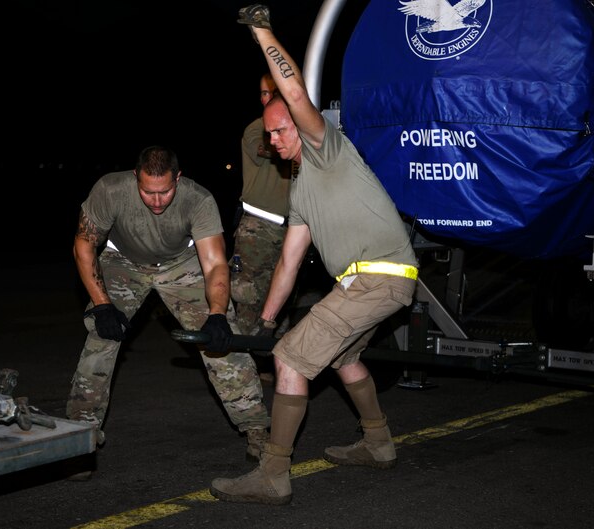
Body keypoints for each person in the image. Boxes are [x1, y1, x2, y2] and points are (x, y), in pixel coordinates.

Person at [209, 5, 419, 505]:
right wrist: (264, 319)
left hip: (376, 278)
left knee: (290, 359)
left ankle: (273, 473)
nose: (274, 140)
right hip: (370, 283)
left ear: (302, 127)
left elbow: (296, 92)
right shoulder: (302, 191)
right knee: (344, 358)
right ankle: (379, 443)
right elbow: (287, 262)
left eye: (280, 130)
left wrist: (262, 31)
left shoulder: (327, 149)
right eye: (269, 133)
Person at [66, 145, 270, 476]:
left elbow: (215, 263)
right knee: (101, 338)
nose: (157, 202)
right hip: (123, 262)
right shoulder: (110, 190)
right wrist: (103, 305)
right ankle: (78, 441)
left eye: (165, 192)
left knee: (221, 339)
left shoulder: (198, 199)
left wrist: (217, 313)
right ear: (136, 179)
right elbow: (83, 245)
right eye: (148, 192)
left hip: (180, 264)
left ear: (178, 178)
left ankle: (258, 431)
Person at [232, 72, 292, 381]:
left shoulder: (296, 130)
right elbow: (264, 148)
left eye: (271, 92)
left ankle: (274, 364)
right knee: (248, 300)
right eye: (262, 93)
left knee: (279, 301)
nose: (265, 98)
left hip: (290, 229)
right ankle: (243, 374)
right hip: (258, 228)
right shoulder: (258, 129)